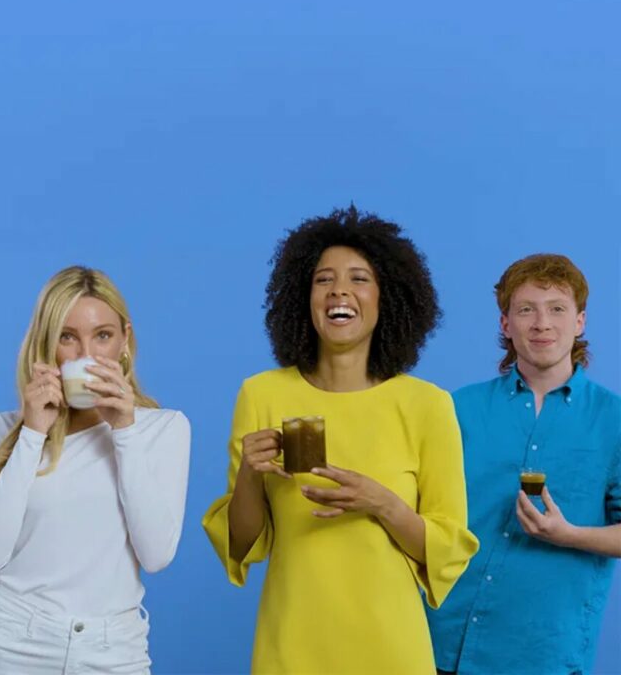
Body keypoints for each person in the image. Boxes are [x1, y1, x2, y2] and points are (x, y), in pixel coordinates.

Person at [203, 206, 479, 675]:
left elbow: (447, 547)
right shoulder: (262, 395)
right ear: (303, 297)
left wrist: (381, 503)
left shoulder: (427, 405)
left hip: (392, 650)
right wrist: (250, 472)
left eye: (359, 278)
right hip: (291, 647)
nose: (339, 291)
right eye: (323, 279)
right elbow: (243, 542)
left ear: (387, 297)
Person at [0, 265, 190, 675]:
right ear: (46, 345)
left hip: (112, 651)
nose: (86, 356)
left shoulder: (163, 429)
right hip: (13, 647)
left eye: (102, 335)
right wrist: (33, 432)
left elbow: (156, 555)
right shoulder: (5, 429)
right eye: (67, 337)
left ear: (125, 339)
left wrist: (124, 430)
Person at [427, 254, 621, 675]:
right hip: (443, 642)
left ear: (580, 321)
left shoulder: (614, 420)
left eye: (557, 309)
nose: (542, 324)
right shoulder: (456, 409)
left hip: (544, 652)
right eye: (527, 309)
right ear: (506, 324)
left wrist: (569, 535)